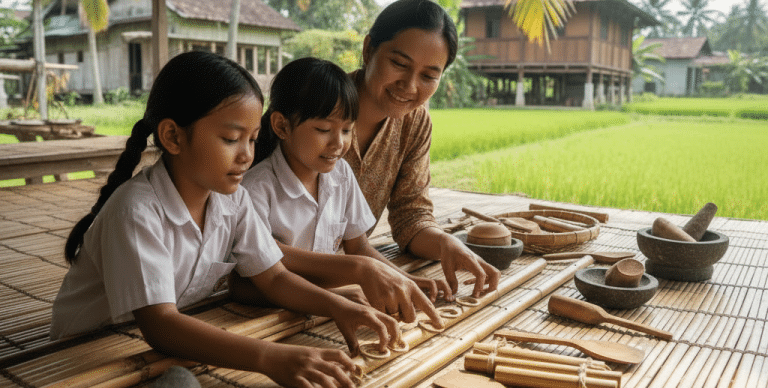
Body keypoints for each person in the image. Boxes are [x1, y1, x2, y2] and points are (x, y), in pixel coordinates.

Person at [50, 51, 398, 388]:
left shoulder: (232, 201)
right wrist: (270, 357)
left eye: (252, 139)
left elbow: (274, 277)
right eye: (231, 139)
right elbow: (160, 324)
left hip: (149, 346)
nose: (247, 155)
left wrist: (338, 307)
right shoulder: (136, 211)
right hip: (80, 359)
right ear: (173, 136)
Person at [234, 57, 442, 327]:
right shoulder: (256, 189)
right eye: (323, 129)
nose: (338, 143)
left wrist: (403, 279)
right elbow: (263, 263)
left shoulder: (341, 175)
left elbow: (359, 246)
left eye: (346, 130)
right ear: (282, 126)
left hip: (328, 303)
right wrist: (349, 279)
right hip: (273, 306)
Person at [345, 0, 501, 299]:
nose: (410, 85)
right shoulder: (314, 107)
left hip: (358, 277)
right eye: (400, 65)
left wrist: (447, 244)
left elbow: (410, 215)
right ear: (368, 50)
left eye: (429, 76)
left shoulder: (413, 123)